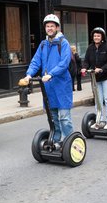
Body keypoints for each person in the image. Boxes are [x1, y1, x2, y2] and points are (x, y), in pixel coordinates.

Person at [21, 14, 73, 146]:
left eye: (52, 26)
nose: (49, 28)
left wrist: (51, 74)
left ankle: (69, 142)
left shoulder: (63, 43)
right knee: (53, 117)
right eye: (47, 26)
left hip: (61, 85)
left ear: (57, 27)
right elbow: (35, 61)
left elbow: (64, 63)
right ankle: (56, 141)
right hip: (48, 87)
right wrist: (28, 75)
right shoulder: (43, 44)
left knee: (64, 117)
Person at [81, 27, 107, 129]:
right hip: (95, 78)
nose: (96, 37)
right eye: (95, 36)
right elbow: (86, 60)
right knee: (98, 99)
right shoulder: (90, 47)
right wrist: (84, 68)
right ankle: (99, 120)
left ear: (102, 37)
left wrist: (102, 69)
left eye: (98, 36)